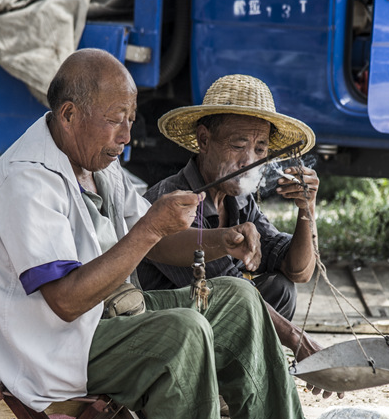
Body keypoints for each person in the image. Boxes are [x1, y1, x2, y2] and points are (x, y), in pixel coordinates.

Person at [0, 49, 356, 419]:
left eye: (131, 120)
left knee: (236, 300)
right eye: (115, 121)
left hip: (104, 320)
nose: (127, 136)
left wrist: (223, 240)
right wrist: (150, 229)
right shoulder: (26, 179)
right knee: (184, 329)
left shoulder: (94, 162)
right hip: (51, 346)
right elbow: (65, 301)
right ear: (69, 115)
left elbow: (155, 239)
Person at [138, 74, 328, 367]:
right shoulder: (172, 201)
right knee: (244, 295)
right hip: (170, 334)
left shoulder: (238, 200)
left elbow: (299, 270)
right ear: (204, 140)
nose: (249, 161)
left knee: (280, 287)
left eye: (260, 149)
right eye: (239, 145)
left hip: (215, 320)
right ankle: (225, 380)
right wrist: (296, 340)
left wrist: (306, 208)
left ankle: (235, 377)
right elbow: (229, 289)